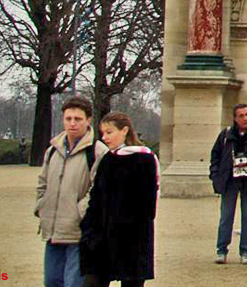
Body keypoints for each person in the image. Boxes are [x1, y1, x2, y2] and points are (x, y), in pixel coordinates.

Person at [79, 112, 159, 287]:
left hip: (132, 236)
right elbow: (96, 197)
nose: (105, 137)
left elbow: (148, 204)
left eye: (109, 132)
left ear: (124, 130)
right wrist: (89, 228)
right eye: (103, 133)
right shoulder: (107, 159)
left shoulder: (144, 159)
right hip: (102, 235)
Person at [37, 95, 107, 287]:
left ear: (88, 120)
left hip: (78, 233)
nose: (72, 123)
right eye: (68, 119)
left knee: (73, 284)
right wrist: (41, 206)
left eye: (78, 119)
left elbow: (98, 190)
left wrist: (80, 213)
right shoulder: (52, 150)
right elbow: (42, 182)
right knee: (51, 282)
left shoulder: (97, 151)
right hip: (53, 230)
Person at [210, 103, 247, 264]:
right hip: (230, 180)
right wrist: (215, 175)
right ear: (235, 118)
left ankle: (245, 251)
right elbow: (215, 155)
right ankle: (222, 250)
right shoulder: (226, 135)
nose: (245, 118)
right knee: (226, 217)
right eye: (241, 116)